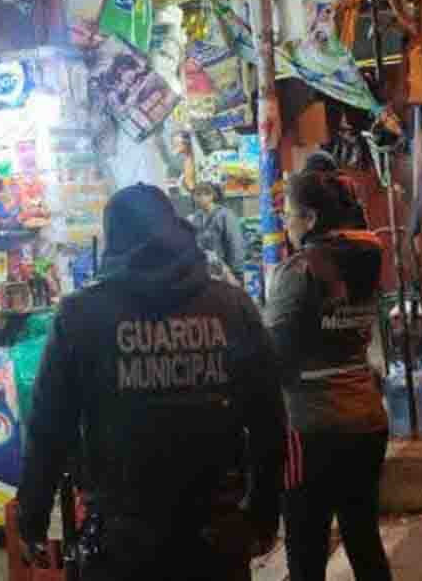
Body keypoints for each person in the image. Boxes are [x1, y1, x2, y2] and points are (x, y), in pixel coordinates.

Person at [17, 184, 286, 581]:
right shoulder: (232, 306)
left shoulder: (81, 316)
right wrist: (263, 515)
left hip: (121, 541)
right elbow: (269, 421)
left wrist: (32, 518)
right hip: (216, 534)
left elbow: (49, 428)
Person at [265, 171, 392, 581]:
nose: (286, 223)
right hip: (366, 419)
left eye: (289, 215)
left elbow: (275, 357)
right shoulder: (366, 257)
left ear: (311, 218)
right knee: (364, 540)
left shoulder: (297, 271)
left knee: (306, 551)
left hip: (312, 428)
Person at [190, 182, 247, 282]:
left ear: (211, 196)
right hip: (208, 272)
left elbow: (235, 244)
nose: (196, 198)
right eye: (195, 195)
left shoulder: (225, 215)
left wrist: (236, 272)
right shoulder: (197, 217)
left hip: (228, 273)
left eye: (199, 195)